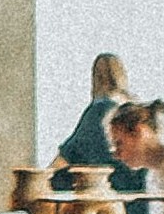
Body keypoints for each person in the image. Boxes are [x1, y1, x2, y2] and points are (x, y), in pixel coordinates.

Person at [54, 52, 144, 189]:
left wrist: (44, 178)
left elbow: (71, 152)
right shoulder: (135, 108)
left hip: (109, 191)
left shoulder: (99, 110)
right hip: (136, 193)